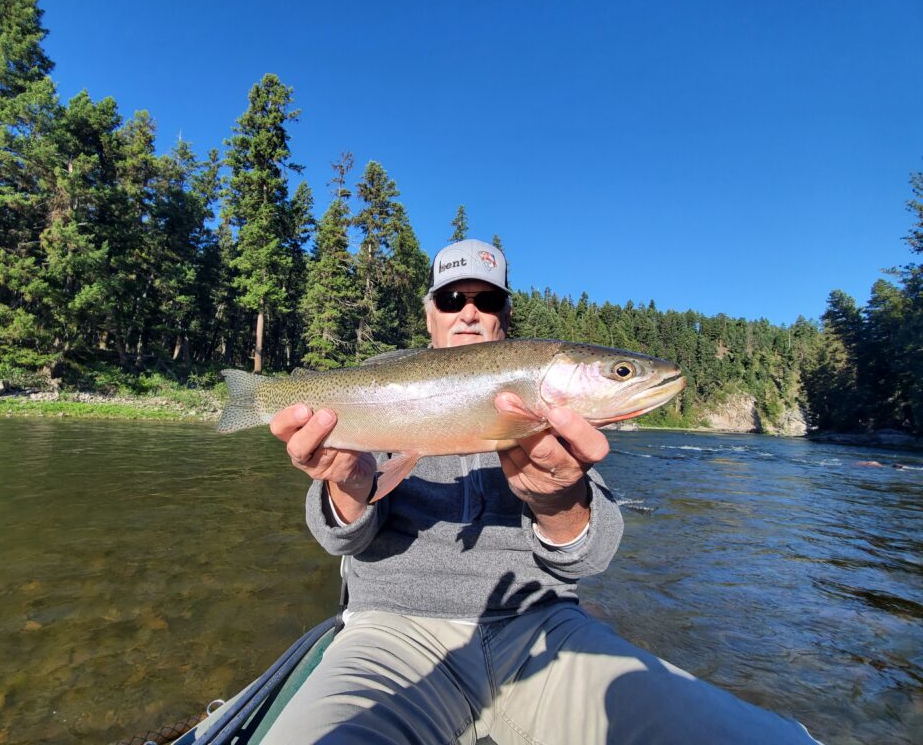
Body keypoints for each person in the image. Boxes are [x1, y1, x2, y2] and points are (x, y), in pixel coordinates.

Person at [266, 239, 819, 744]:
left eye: (486, 301)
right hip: (390, 629)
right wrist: (350, 486)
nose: (469, 312)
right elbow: (340, 542)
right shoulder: (382, 390)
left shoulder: (560, 424)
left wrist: (557, 497)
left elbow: (589, 555)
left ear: (506, 316)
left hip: (540, 629)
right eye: (453, 297)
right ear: (430, 313)